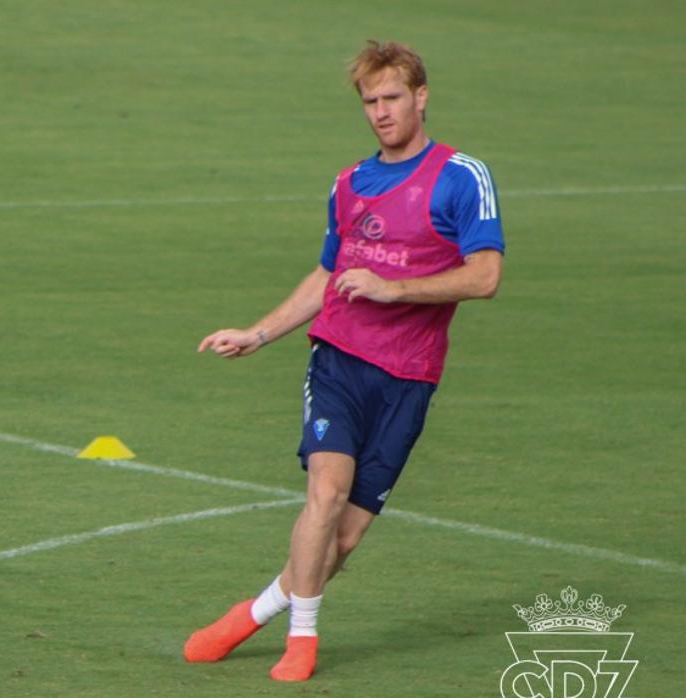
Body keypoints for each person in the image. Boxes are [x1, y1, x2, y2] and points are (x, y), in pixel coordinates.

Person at [185, 41, 505, 682]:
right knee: (325, 493)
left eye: (391, 98)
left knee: (347, 537)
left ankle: (255, 610)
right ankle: (302, 639)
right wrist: (260, 332)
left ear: (420, 97)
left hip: (410, 376)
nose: (381, 113)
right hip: (340, 359)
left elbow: (486, 276)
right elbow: (328, 273)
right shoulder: (349, 184)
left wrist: (396, 290)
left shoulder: (461, 177)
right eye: (370, 102)